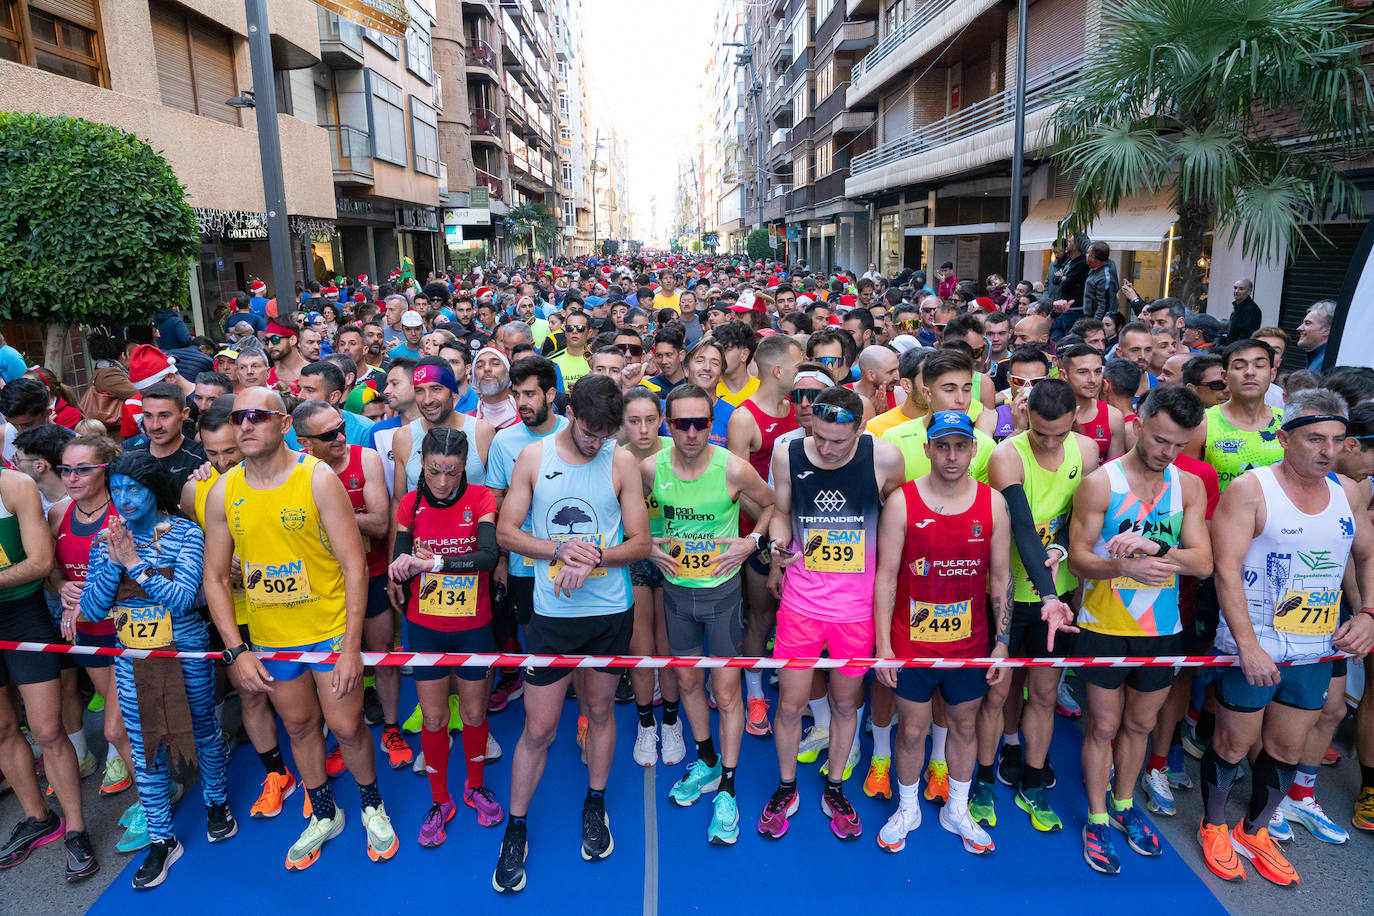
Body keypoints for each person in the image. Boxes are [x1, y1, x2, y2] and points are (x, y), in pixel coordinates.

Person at [202, 387, 397, 872]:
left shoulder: (317, 478)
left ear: (284, 422)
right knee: (299, 726)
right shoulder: (224, 489)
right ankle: (325, 812)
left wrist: (352, 648)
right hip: (272, 639)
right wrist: (236, 650)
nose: (243, 425)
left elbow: (356, 566)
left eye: (256, 416)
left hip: (330, 631)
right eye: (236, 417)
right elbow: (214, 577)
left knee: (349, 727)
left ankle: (372, 805)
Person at [1199, 389, 1374, 886]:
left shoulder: (1346, 490)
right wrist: (1247, 644)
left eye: (1338, 440)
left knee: (1287, 747)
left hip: (1316, 645)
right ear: (1284, 438)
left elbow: (1367, 553)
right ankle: (1214, 826)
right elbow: (1226, 571)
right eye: (1315, 438)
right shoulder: (1252, 490)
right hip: (1252, 641)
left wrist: (1368, 614)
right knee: (1235, 743)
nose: (1327, 450)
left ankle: (1254, 831)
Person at [491, 375, 650, 893]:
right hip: (553, 617)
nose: (594, 441)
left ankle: (595, 802)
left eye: (605, 433)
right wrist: (559, 551)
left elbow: (642, 543)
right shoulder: (534, 457)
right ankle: (516, 826)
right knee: (539, 729)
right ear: (569, 412)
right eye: (587, 430)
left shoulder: (620, 460)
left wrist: (597, 555)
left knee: (601, 712)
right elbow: (506, 533)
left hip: (607, 613)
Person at [1067, 385, 1212, 874]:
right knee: (1104, 725)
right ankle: (1097, 815)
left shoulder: (1188, 486)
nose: (1168, 452)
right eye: (1160, 439)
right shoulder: (1099, 483)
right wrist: (1123, 569)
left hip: (1163, 627)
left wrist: (1156, 553)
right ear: (1138, 424)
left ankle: (1125, 804)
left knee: (1141, 725)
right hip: (1103, 623)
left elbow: (1204, 562)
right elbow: (1081, 561)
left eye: (1178, 444)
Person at [80, 453, 231, 887]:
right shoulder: (106, 541)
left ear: (155, 490)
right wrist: (113, 560)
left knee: (202, 728)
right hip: (132, 661)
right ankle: (162, 839)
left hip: (185, 654)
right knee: (146, 746)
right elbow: (91, 610)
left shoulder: (186, 533)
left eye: (134, 489)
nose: (123, 498)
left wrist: (133, 564)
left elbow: (184, 598)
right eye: (117, 489)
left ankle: (217, 802)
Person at [760, 387, 905, 840]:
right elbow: (781, 512)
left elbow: (896, 523)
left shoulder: (885, 459)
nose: (825, 448)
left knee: (846, 705)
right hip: (802, 603)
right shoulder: (787, 455)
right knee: (789, 704)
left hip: (857, 611)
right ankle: (787, 786)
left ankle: (836, 785)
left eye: (837, 442)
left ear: (861, 430)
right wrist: (776, 545)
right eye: (818, 437)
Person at [873, 410, 1011, 856]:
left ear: (974, 449)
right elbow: (886, 575)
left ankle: (957, 809)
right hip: (910, 642)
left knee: (964, 726)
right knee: (911, 731)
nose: (952, 456)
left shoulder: (993, 504)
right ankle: (908, 807)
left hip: (969, 643)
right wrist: (883, 646)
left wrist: (1002, 641)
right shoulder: (902, 502)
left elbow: (1002, 577)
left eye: (961, 446)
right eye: (943, 446)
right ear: (928, 448)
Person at [645, 384, 775, 845]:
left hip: (721, 596)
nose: (694, 433)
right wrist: (650, 543)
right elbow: (642, 515)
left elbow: (775, 505)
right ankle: (706, 759)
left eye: (703, 423)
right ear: (669, 424)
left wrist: (751, 541)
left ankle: (730, 788)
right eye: (683, 424)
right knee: (685, 683)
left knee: (726, 688)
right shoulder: (648, 469)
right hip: (677, 594)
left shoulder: (734, 469)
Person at [983, 378, 1098, 832]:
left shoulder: (1086, 451)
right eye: (1041, 432)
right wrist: (1047, 592)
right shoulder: (1006, 455)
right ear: (1025, 415)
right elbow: (1023, 528)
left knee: (1045, 692)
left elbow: (1081, 517)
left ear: (1075, 420)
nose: (1051, 442)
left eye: (1060, 434)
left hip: (1059, 593)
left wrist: (1064, 552)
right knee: (999, 691)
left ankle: (1032, 775)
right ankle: (988, 774)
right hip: (1010, 592)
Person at [178, 408, 298, 820]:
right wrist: (219, 565)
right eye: (212, 454)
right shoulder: (197, 491)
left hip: (289, 602)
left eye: (229, 451)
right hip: (235, 609)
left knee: (302, 693)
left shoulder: (288, 472)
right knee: (250, 691)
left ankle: (318, 752)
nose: (223, 461)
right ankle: (276, 774)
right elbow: (198, 554)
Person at [389, 427, 503, 845]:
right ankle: (441, 800)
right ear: (422, 464)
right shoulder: (410, 502)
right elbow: (401, 557)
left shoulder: (481, 499)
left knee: (474, 715)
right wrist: (399, 569)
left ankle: (474, 786)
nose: (442, 481)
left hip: (474, 626)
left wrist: (436, 563)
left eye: (452, 473)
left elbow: (488, 557)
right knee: (434, 718)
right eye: (434, 471)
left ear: (464, 468)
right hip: (425, 628)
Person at [292, 401, 407, 769]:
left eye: (341, 427)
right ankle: (345, 732)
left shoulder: (366, 459)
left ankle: (391, 728)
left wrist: (329, 516)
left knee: (381, 653)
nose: (341, 437)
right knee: (331, 662)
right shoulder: (296, 471)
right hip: (323, 585)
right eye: (328, 435)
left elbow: (379, 524)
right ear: (304, 443)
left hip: (371, 573)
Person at [0, 451, 96, 883]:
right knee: (3, 729)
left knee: (47, 729)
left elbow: (40, 564)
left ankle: (75, 827)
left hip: (22, 614)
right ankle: (39, 817)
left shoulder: (14, 485)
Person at [50, 435, 136, 808]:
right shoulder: (58, 513)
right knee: (126, 728)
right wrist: (62, 584)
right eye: (66, 469)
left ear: (106, 470)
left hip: (128, 629)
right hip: (88, 633)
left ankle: (156, 799)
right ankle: (154, 793)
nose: (72, 477)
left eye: (83, 469)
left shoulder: (126, 510)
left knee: (117, 728)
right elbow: (50, 570)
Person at [726, 334, 804, 735]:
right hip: (758, 535)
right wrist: (775, 526)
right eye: (798, 363)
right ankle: (754, 694)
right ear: (778, 371)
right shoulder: (744, 418)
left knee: (796, 620)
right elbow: (737, 489)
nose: (803, 368)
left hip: (801, 536)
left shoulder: (800, 409)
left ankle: (800, 688)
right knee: (760, 618)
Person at [620, 388, 683, 768]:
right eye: (633, 421)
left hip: (677, 555)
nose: (643, 429)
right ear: (622, 423)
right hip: (636, 556)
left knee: (670, 644)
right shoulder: (616, 459)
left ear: (661, 419)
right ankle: (647, 724)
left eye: (650, 420)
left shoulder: (677, 452)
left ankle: (672, 722)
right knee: (641, 646)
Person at [1186, 339, 1283, 491]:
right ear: (1225, 376)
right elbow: (1185, 484)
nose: (1250, 372)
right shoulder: (1202, 423)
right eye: (1239, 366)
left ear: (1272, 373)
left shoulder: (1288, 423)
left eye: (1259, 366)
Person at [393, 359, 493, 505]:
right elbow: (399, 501)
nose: (427, 400)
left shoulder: (482, 432)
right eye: (419, 391)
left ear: (453, 391)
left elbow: (494, 496)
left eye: (436, 389)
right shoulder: (403, 437)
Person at [122, 382, 207, 491]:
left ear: (185, 413)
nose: (155, 425)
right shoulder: (128, 451)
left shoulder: (201, 460)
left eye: (164, 416)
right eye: (148, 416)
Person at [1061, 344, 1125, 464]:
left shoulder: (1113, 417)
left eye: (1098, 372)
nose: (1092, 380)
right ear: (1064, 375)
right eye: (1083, 372)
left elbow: (1115, 473)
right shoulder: (1050, 412)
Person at [472, 346, 517, 430]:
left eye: (495, 364)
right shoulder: (467, 421)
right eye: (480, 366)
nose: (486, 369)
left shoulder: (526, 417)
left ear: (508, 373)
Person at [1297, 300, 1334, 372]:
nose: (1299, 328)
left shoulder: (1326, 364)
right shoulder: (1323, 360)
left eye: (1307, 323)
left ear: (1326, 330)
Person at [1227, 280, 1261, 344]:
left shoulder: (1251, 310)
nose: (1236, 291)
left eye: (1241, 289)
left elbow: (1246, 337)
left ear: (1249, 291)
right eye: (1235, 288)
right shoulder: (1238, 307)